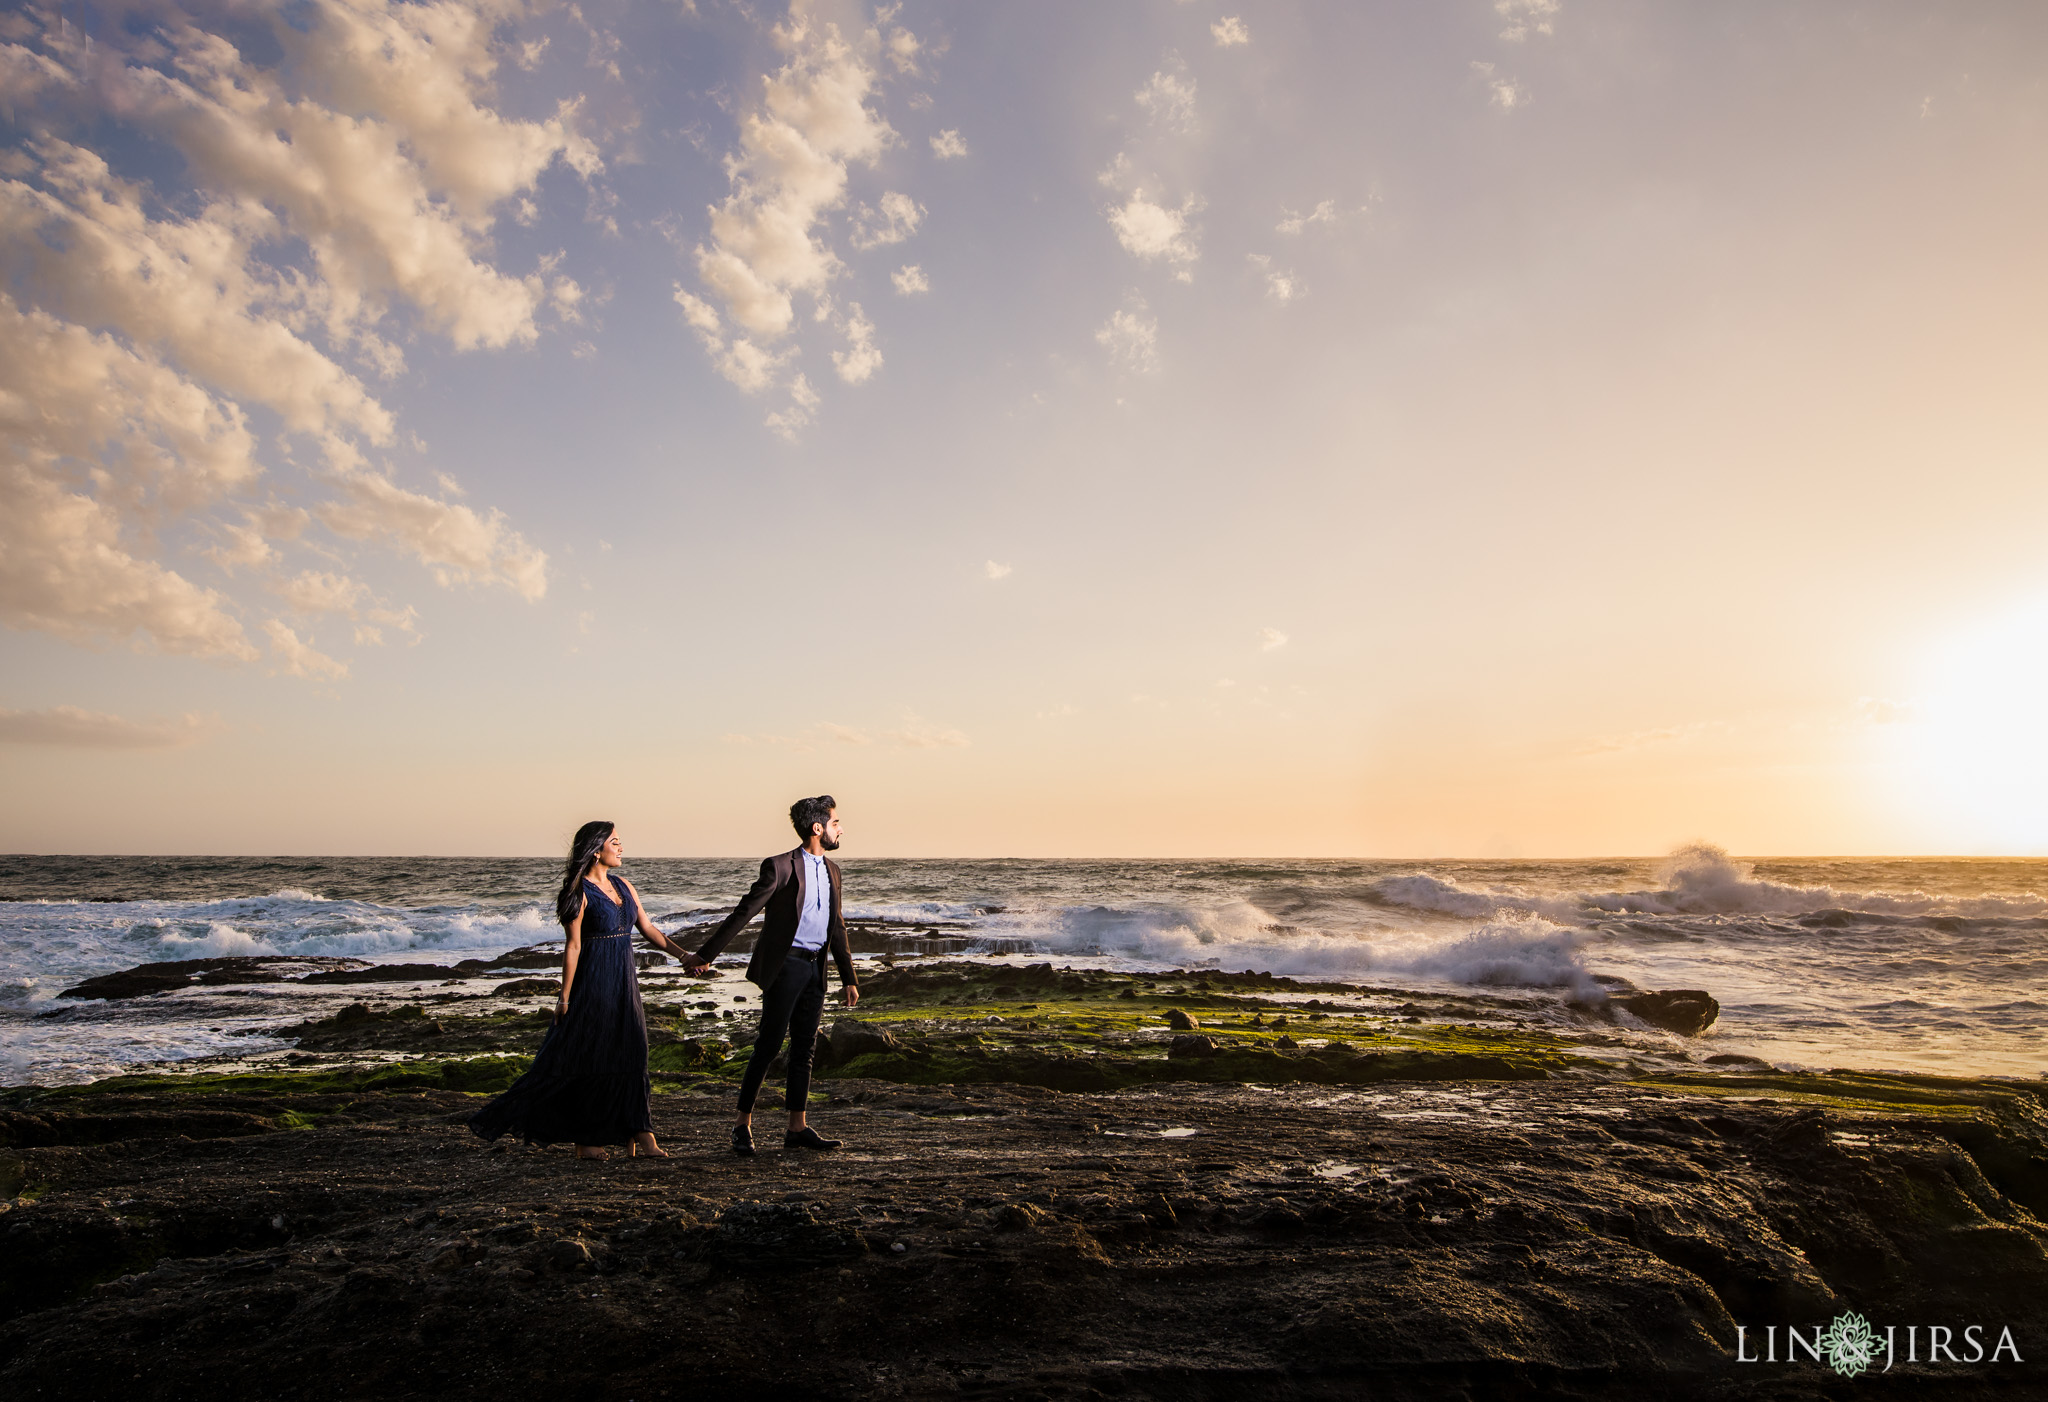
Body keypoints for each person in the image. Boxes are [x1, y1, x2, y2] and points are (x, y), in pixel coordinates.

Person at [470, 821, 695, 1160]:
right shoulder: (577, 893)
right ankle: (587, 1141)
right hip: (594, 981)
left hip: (624, 981)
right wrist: (564, 997)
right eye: (614, 842)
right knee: (592, 1056)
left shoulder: (624, 886)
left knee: (634, 1051)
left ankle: (642, 1132)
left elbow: (648, 929)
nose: (621, 848)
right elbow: (573, 947)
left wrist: (684, 956)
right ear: (595, 849)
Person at [684, 795, 858, 1156]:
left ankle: (797, 1127)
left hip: (815, 968)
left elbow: (836, 927)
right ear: (817, 828)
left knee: (805, 1049)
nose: (840, 828)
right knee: (768, 1045)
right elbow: (743, 912)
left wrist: (849, 977)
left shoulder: (833, 870)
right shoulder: (780, 866)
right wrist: (705, 955)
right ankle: (741, 1125)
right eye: (836, 822)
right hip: (787, 966)